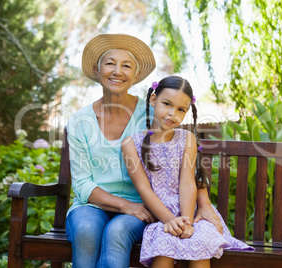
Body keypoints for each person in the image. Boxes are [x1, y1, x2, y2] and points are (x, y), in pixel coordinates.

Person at [65, 34, 225, 268]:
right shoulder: (79, 121)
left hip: (146, 206)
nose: (117, 71)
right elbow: (81, 184)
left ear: (136, 75)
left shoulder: (154, 112)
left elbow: (182, 162)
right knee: (87, 230)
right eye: (110, 63)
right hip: (92, 206)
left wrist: (204, 203)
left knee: (117, 231)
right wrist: (124, 206)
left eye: (126, 66)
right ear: (96, 69)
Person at [122, 75, 254, 268]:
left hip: (191, 214)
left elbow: (187, 183)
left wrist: (187, 223)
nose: (172, 114)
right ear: (153, 100)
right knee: (164, 245)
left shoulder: (188, 139)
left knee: (199, 244)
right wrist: (171, 221)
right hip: (161, 214)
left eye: (180, 109)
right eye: (166, 104)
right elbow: (144, 189)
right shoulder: (131, 144)